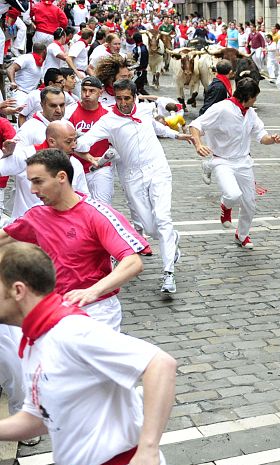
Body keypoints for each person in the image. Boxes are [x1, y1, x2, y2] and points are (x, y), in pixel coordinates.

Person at [0, 241, 176, 465]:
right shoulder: (33, 341)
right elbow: (38, 417)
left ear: (18, 290)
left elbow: (160, 364)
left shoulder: (70, 333)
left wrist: (148, 451)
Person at [0, 147, 147, 330]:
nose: (32, 190)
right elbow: (4, 238)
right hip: (55, 308)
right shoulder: (36, 216)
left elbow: (133, 262)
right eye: (31, 182)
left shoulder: (97, 215)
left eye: (38, 182)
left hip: (95, 311)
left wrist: (93, 291)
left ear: (61, 177)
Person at [75, 79, 192, 295]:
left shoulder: (146, 110)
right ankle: (172, 239)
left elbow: (157, 127)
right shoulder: (108, 120)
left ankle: (168, 273)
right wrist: (76, 144)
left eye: (127, 98)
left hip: (157, 169)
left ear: (135, 96)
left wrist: (176, 135)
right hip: (131, 176)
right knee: (148, 227)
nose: (122, 103)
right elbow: (87, 140)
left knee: (163, 218)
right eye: (118, 99)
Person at [190, 78, 280, 249]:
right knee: (233, 195)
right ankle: (225, 208)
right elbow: (196, 125)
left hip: (243, 162)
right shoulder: (221, 109)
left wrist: (272, 139)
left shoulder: (251, 113)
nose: (256, 100)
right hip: (221, 160)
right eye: (255, 97)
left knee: (249, 204)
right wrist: (198, 144)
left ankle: (242, 235)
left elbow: (261, 136)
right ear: (247, 96)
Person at [65, 75, 114, 205]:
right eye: (84, 90)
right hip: (74, 168)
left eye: (92, 91)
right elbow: (64, 143)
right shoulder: (69, 111)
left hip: (101, 168)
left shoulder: (109, 114)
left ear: (100, 92)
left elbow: (116, 143)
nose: (87, 94)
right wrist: (88, 157)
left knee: (102, 206)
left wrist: (106, 158)